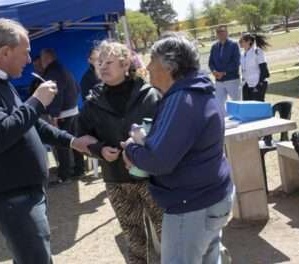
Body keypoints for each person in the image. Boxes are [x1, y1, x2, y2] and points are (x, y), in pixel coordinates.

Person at [0, 18, 96, 264]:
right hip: (10, 197)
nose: (30, 60)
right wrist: (36, 101)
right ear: (5, 52)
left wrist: (72, 141)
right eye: (26, 53)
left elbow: (31, 124)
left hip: (23, 193)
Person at [122, 32, 234, 264]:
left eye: (152, 60)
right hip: (210, 197)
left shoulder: (181, 99)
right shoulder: (198, 90)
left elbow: (159, 162)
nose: (148, 66)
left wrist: (131, 150)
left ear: (169, 66)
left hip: (191, 206)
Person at [78, 40, 163, 264]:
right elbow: (81, 136)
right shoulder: (92, 102)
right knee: (134, 242)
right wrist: (98, 149)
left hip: (154, 179)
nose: (103, 67)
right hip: (117, 180)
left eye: (109, 62)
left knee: (169, 235)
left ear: (126, 64)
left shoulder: (151, 95)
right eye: (99, 63)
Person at [40, 48, 85, 181]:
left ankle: (64, 175)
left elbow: (55, 96)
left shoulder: (53, 72)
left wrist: (54, 115)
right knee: (74, 142)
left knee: (62, 144)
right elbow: (77, 88)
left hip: (62, 114)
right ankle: (79, 169)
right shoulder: (65, 69)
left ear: (47, 59)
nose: (42, 63)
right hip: (73, 110)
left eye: (42, 60)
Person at [208, 25, 241, 114]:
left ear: (227, 33)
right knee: (219, 104)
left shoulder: (233, 45)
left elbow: (236, 62)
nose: (220, 34)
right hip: (218, 81)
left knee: (237, 103)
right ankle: (223, 123)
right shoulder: (214, 47)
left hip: (232, 79)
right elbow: (211, 62)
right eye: (218, 32)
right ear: (216, 34)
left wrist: (224, 73)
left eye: (223, 31)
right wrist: (214, 72)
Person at [240, 33, 271, 101]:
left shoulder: (257, 51)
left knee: (258, 107)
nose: (239, 43)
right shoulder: (242, 54)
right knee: (247, 107)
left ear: (249, 41)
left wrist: (259, 84)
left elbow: (264, 70)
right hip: (247, 84)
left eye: (241, 41)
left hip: (257, 84)